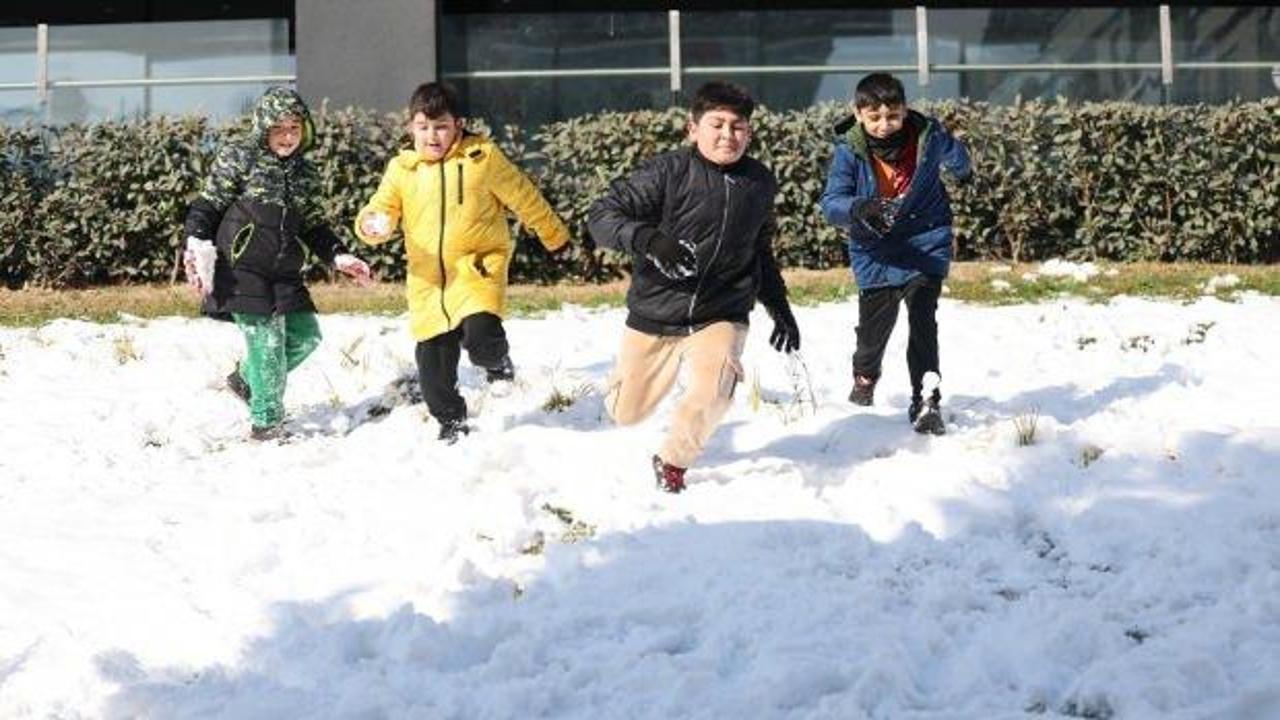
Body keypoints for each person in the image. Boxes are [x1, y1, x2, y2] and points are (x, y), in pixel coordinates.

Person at [587, 80, 800, 493]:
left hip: (721, 311)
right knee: (626, 412)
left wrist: (779, 306)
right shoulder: (667, 172)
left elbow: (759, 248)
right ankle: (626, 386)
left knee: (716, 387)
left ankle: (672, 463)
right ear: (692, 128)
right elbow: (602, 217)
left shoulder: (759, 183)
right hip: (656, 311)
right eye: (716, 124)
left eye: (737, 127)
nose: (727, 135)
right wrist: (649, 240)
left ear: (749, 134)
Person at [353, 81, 569, 444]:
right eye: (423, 127)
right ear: (411, 128)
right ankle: (451, 423)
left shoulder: (482, 158)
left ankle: (497, 363)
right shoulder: (402, 169)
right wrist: (372, 225)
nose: (432, 136)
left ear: (458, 125)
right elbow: (381, 208)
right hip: (427, 281)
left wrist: (554, 236)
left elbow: (523, 195)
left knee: (482, 336)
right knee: (432, 366)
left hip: (476, 267)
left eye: (441, 126)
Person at [183, 86, 371, 441]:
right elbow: (207, 204)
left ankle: (245, 379)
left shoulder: (305, 173)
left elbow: (314, 224)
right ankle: (267, 424)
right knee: (267, 343)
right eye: (279, 129)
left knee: (304, 336)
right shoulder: (240, 156)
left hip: (283, 269)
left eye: (294, 128)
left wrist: (338, 255)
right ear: (263, 128)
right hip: (240, 268)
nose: (287, 137)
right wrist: (195, 240)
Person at [819, 73, 971, 436]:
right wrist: (860, 208)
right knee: (874, 332)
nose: (884, 125)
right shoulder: (848, 151)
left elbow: (956, 154)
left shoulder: (928, 136)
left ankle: (927, 399)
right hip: (876, 248)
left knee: (923, 320)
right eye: (874, 118)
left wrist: (963, 170)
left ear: (904, 111)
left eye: (893, 116)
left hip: (924, 240)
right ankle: (866, 373)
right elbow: (830, 204)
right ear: (858, 114)